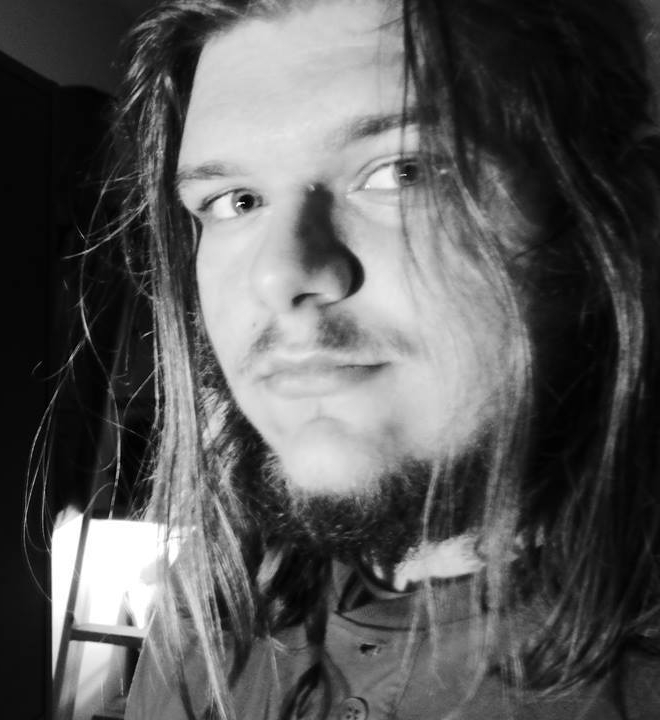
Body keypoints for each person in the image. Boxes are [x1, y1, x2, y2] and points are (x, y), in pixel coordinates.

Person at [96, 0, 660, 717]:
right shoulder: (215, 602)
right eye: (237, 200)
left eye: (403, 170)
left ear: (623, 217)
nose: (280, 275)